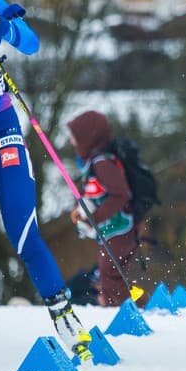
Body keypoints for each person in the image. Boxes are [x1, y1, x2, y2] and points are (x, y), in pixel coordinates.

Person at [0, 0, 92, 361]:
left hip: (0, 129)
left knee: (23, 230)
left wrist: (1, 22)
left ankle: (64, 316)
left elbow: (31, 43)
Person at [67, 111, 138, 306]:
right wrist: (80, 210)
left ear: (87, 137)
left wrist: (95, 218)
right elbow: (96, 193)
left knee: (109, 280)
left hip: (121, 229)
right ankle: (147, 308)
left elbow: (121, 194)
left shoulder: (102, 163)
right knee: (112, 279)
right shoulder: (93, 163)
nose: (72, 142)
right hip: (112, 231)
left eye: (75, 137)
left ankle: (137, 315)